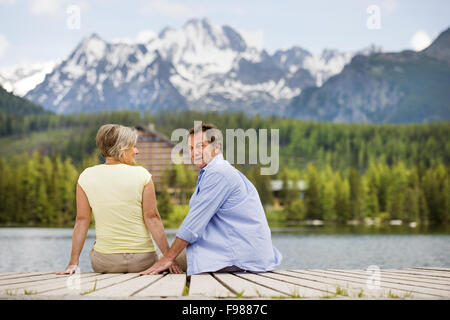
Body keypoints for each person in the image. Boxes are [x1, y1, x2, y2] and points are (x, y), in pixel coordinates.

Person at [140, 123, 282, 276]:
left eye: (201, 146)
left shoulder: (219, 173)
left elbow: (192, 225)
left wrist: (168, 258)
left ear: (217, 147)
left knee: (157, 265)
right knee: (162, 263)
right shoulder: (215, 171)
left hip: (237, 254)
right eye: (191, 148)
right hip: (237, 250)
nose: (195, 153)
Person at [56, 124, 186, 275]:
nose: (137, 151)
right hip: (143, 261)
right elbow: (152, 218)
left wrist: (73, 263)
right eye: (134, 147)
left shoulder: (86, 176)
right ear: (122, 148)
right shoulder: (142, 174)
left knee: (96, 247)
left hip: (105, 263)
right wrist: (168, 258)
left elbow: (81, 221)